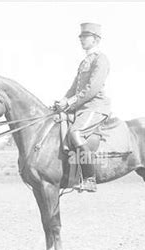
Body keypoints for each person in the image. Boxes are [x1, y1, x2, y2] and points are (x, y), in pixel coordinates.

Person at [55, 23, 111, 193]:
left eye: (85, 37)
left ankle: (90, 178)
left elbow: (92, 88)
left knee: (76, 133)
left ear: (96, 39)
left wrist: (70, 102)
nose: (81, 40)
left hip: (96, 106)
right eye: (81, 37)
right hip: (81, 106)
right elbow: (74, 87)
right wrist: (63, 100)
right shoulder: (85, 61)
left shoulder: (100, 59)